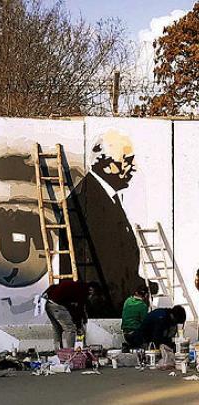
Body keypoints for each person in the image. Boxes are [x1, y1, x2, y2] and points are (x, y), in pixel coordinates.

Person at [60, 129, 151, 317]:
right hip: (102, 308)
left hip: (112, 303)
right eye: (126, 160)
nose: (132, 166)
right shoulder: (87, 202)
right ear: (107, 164)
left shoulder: (107, 197)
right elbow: (105, 262)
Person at [43, 280, 89, 350]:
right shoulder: (82, 291)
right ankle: (71, 351)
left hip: (48, 304)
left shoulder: (72, 287)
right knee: (70, 329)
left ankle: (58, 351)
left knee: (57, 328)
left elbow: (72, 308)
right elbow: (79, 308)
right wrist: (79, 325)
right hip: (57, 304)